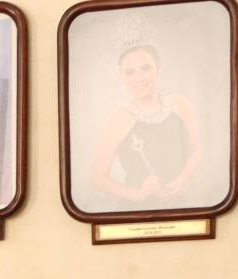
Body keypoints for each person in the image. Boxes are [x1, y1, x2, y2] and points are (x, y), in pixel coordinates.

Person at [85, 29, 201, 207]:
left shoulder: (180, 105)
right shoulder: (119, 121)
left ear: (158, 68)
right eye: (130, 72)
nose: (139, 78)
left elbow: (195, 150)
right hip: (139, 210)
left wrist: (182, 180)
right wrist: (137, 194)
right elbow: (97, 178)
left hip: (181, 202)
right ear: (122, 77)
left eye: (145, 68)